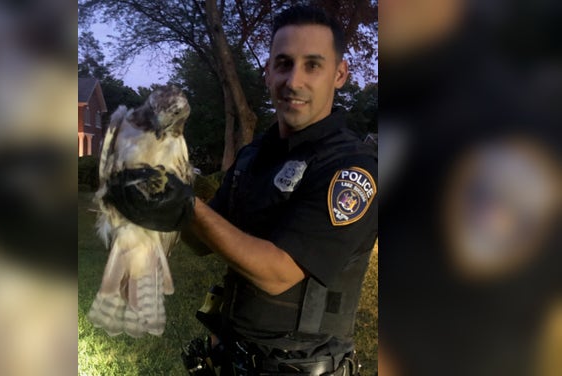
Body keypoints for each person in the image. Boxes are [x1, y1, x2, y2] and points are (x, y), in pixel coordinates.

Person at [109, 5, 377, 375]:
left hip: (299, 367)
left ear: (339, 74)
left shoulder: (351, 169)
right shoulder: (254, 156)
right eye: (283, 63)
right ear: (267, 72)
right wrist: (158, 195)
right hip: (230, 359)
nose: (293, 81)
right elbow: (202, 241)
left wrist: (187, 205)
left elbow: (277, 273)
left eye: (312, 65)